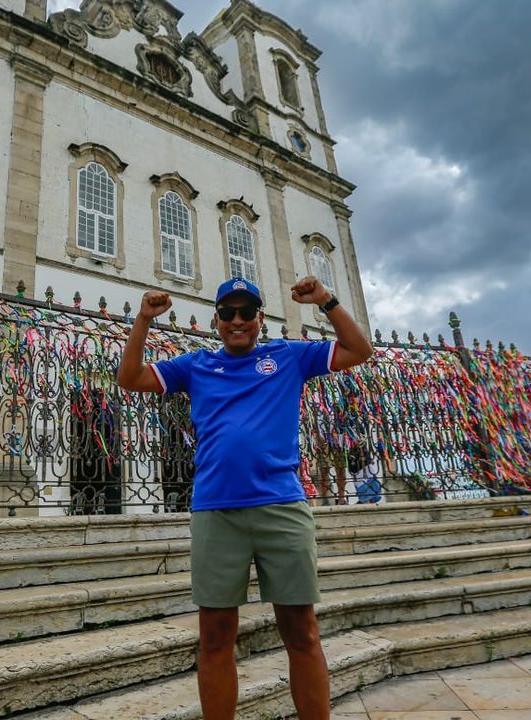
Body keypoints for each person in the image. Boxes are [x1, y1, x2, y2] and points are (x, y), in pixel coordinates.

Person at [118, 275, 373, 720]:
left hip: (282, 508)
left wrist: (325, 301)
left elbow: (359, 350)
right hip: (217, 512)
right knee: (216, 635)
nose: (238, 321)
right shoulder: (195, 365)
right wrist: (142, 319)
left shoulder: (289, 356)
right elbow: (131, 377)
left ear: (260, 319)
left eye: (247, 313)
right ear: (216, 320)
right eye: (229, 313)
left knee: (303, 632)